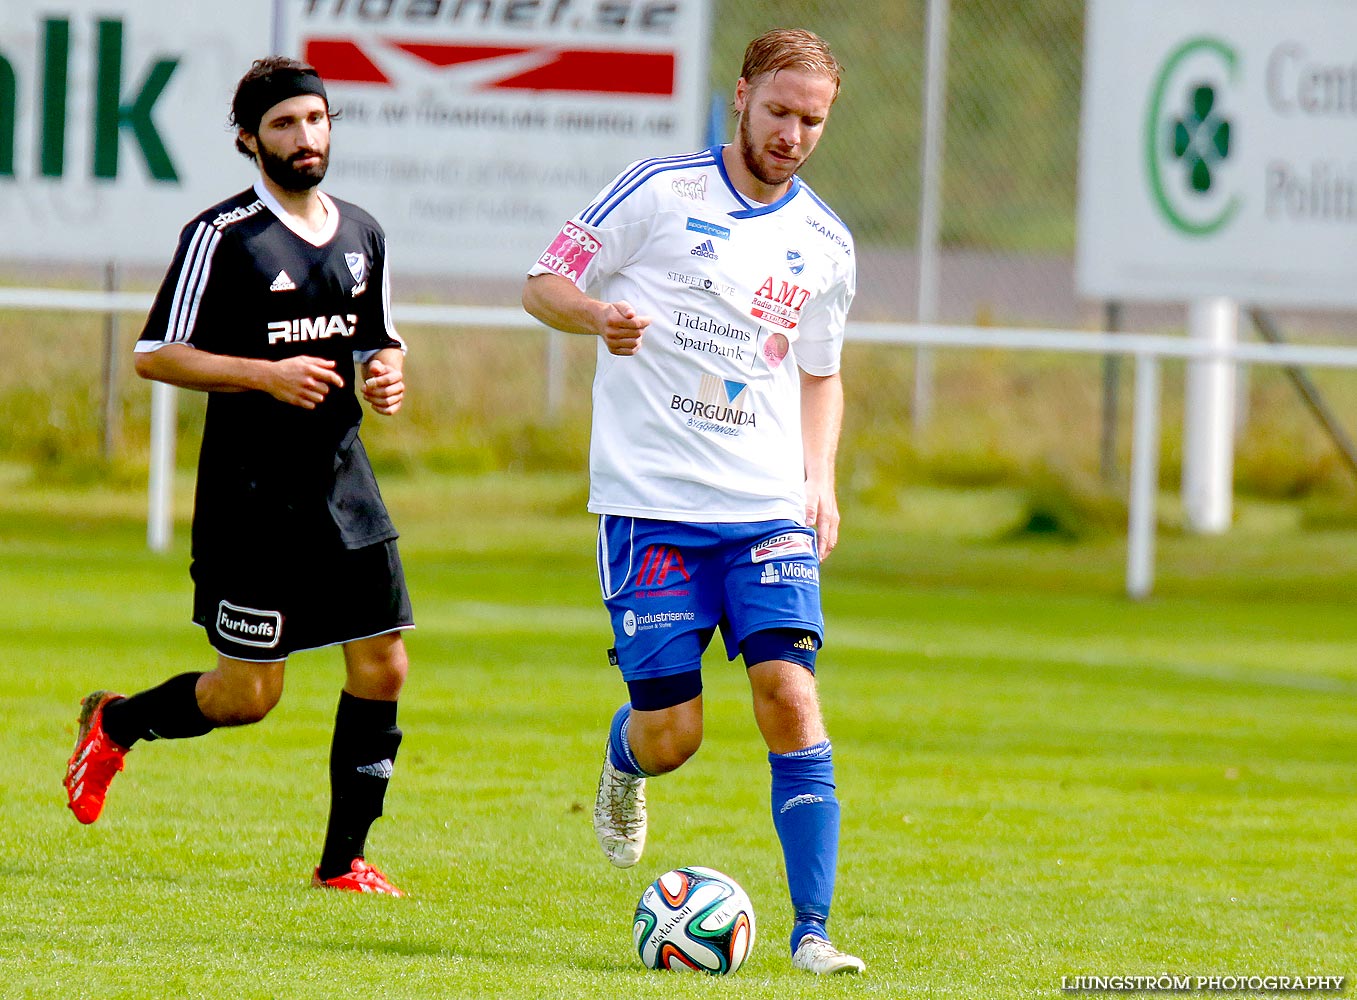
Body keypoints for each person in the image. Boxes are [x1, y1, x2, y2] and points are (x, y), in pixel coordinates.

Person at [522, 28, 863, 974]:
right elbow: (542, 285)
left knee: (789, 694)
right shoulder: (657, 190)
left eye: (814, 121)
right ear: (744, 94)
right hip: (651, 506)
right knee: (674, 736)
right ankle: (625, 764)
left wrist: (818, 481)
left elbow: (820, 375)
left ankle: (812, 932)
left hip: (763, 509)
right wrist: (598, 315)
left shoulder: (825, 242)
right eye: (781, 111)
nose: (794, 133)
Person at [62, 57, 413, 897]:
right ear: (248, 140)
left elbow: (378, 336)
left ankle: (342, 863)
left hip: (343, 482)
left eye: (316, 120)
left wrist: (389, 370)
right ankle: (116, 723)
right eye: (285, 125)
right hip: (250, 498)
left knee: (385, 665)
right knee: (249, 695)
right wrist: (265, 374)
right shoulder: (222, 237)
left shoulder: (363, 230)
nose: (305, 137)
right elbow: (155, 356)